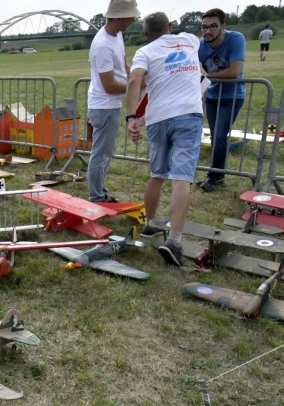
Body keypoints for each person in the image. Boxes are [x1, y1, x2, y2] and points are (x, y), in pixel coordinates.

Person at [126, 12, 204, 267]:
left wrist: (131, 117)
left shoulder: (145, 51)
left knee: (157, 174)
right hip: (188, 115)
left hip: (159, 117)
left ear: (147, 34)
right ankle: (174, 240)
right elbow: (210, 40)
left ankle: (149, 225)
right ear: (170, 27)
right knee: (182, 178)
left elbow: (135, 79)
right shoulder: (191, 40)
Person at [86, 0, 141, 203]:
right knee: (101, 154)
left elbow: (123, 64)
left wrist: (134, 77)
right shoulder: (102, 45)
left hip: (109, 106)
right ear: (119, 17)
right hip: (104, 106)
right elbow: (108, 85)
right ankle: (97, 196)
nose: (132, 20)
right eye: (130, 17)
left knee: (106, 151)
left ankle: (99, 191)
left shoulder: (116, 35)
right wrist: (134, 86)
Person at [197, 8, 246, 193]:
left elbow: (234, 72)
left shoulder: (236, 39)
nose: (207, 31)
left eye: (213, 26)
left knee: (219, 136)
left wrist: (207, 76)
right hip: (211, 95)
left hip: (232, 96)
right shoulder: (200, 45)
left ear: (223, 26)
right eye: (204, 27)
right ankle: (217, 173)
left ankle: (215, 176)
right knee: (216, 136)